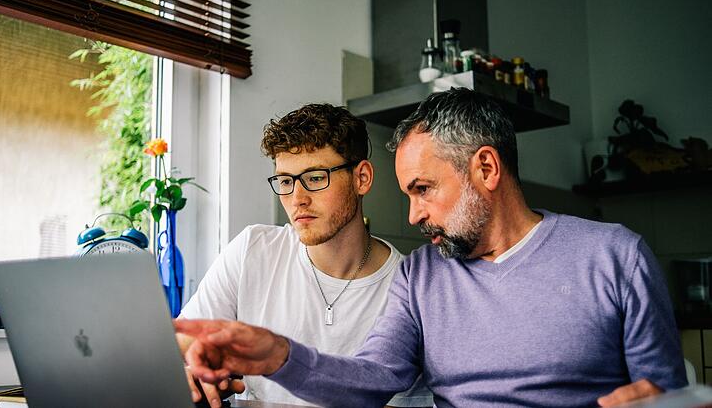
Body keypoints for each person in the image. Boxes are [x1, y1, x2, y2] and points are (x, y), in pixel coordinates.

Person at [175, 89, 688, 407]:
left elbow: (666, 396)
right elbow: (371, 379)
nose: (414, 215)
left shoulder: (616, 257)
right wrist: (281, 355)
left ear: (485, 169)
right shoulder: (423, 275)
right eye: (408, 195)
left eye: (424, 189)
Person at [177, 104, 432, 407]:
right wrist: (192, 367)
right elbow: (185, 338)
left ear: (361, 178)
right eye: (285, 181)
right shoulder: (252, 249)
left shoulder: (410, 288)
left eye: (315, 177)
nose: (298, 199)